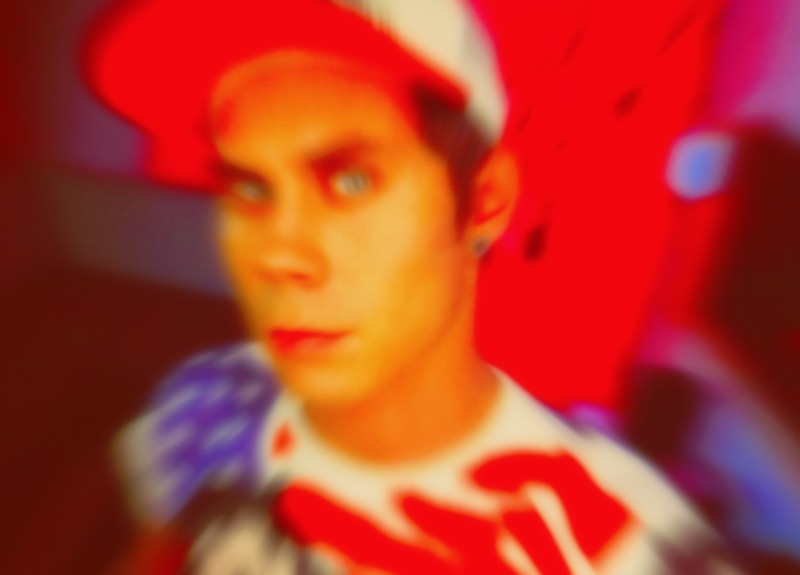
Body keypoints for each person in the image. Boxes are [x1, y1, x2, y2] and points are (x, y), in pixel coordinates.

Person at [85, 0, 737, 572]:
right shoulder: (208, 405)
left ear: (486, 198)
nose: (278, 257)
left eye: (350, 181)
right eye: (249, 188)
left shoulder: (618, 542)